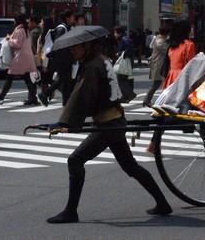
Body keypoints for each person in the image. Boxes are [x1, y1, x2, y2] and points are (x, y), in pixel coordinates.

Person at [46, 32, 172, 224]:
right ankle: (163, 204)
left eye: (76, 47)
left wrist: (65, 123)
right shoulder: (100, 60)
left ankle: (71, 211)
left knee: (75, 161)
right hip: (114, 120)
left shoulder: (92, 67)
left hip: (109, 124)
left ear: (87, 46)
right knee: (130, 166)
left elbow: (82, 97)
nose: (73, 51)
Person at [0, 15, 39, 106]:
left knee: (9, 77)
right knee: (28, 79)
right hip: (27, 57)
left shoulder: (18, 31)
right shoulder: (26, 30)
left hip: (20, 58)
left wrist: (9, 39)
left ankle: (1, 96)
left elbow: (17, 44)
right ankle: (33, 98)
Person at [45, 11, 75, 105]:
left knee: (66, 81)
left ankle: (66, 101)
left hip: (66, 59)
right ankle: (45, 94)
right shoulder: (62, 29)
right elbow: (58, 44)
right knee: (63, 79)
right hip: (62, 59)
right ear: (67, 18)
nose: (74, 19)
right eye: (72, 17)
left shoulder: (67, 28)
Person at [164, 20, 196, 89]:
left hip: (171, 75)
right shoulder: (189, 45)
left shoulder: (172, 45)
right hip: (183, 76)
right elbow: (191, 65)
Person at [144, 24, 170, 107]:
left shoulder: (159, 39)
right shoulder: (160, 42)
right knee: (156, 84)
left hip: (159, 64)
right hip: (159, 65)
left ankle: (147, 100)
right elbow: (167, 51)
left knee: (158, 84)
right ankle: (147, 100)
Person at [114, 26, 136, 102]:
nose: (114, 35)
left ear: (119, 33)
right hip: (127, 61)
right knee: (125, 79)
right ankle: (125, 96)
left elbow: (130, 49)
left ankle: (130, 94)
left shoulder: (124, 40)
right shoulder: (123, 39)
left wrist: (122, 54)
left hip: (126, 62)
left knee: (121, 78)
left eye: (115, 33)